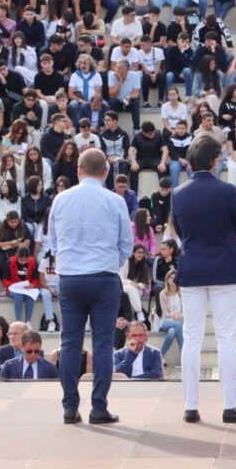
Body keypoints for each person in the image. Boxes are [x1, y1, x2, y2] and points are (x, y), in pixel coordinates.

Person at [47, 148, 134, 425]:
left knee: (70, 342)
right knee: (103, 344)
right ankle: (99, 407)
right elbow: (126, 245)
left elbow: (54, 243)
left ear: (78, 170)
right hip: (103, 277)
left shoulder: (61, 199)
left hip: (71, 277)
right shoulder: (115, 200)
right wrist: (110, 261)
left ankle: (70, 407)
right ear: (106, 173)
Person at [171, 134, 236, 424]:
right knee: (225, 337)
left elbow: (180, 230)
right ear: (215, 161)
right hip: (223, 269)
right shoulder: (227, 191)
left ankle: (190, 406)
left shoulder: (178, 193)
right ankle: (229, 406)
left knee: (192, 337)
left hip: (192, 268)